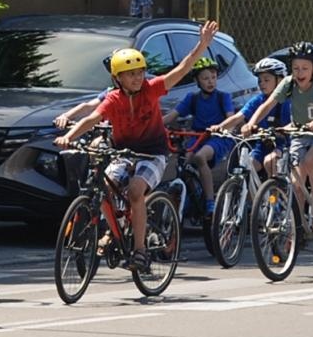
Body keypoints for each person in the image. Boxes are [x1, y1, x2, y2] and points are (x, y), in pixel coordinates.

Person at [54, 21, 218, 273]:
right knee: (106, 185)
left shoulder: (151, 90)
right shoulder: (113, 99)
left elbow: (183, 68)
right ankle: (113, 232)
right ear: (117, 78)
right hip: (123, 153)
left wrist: (203, 44)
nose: (138, 77)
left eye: (140, 72)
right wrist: (70, 136)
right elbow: (91, 119)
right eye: (131, 74)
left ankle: (140, 250)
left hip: (153, 154)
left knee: (134, 191)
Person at [243, 41, 313, 226]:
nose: (300, 73)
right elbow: (268, 104)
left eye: (304, 68)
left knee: (310, 161)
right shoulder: (288, 83)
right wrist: (251, 123)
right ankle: (296, 226)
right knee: (296, 182)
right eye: (295, 68)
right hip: (300, 132)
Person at [165, 56, 233, 213]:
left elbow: (231, 118)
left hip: (218, 138)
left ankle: (210, 201)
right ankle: (189, 195)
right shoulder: (192, 98)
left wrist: (222, 127)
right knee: (184, 162)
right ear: (197, 80)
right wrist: (153, 124)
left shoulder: (223, 97)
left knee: (200, 157)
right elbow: (171, 116)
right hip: (197, 137)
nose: (210, 82)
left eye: (213, 77)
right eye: (205, 78)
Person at [215, 57, 290, 178]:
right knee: (246, 167)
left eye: (266, 80)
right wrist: (218, 128)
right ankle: (253, 196)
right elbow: (238, 117)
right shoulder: (258, 100)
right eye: (259, 81)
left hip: (283, 145)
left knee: (269, 162)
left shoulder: (288, 101)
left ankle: (277, 193)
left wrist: (283, 131)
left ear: (280, 81)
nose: (262, 84)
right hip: (262, 145)